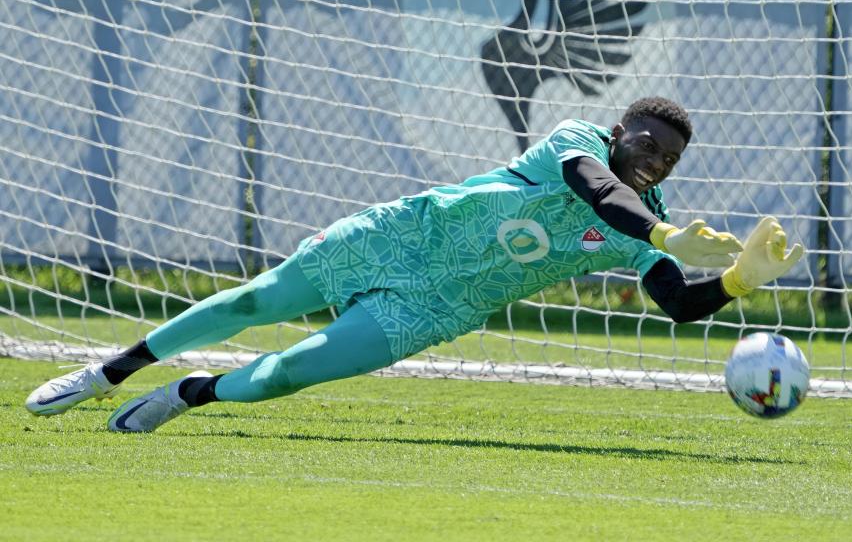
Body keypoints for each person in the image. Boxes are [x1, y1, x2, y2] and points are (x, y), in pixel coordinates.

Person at [25, 97, 803, 433]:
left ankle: (194, 393)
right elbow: (596, 192)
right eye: (645, 143)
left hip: (440, 307)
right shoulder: (578, 144)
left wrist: (735, 282)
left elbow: (675, 303)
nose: (653, 161)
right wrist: (665, 238)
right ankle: (106, 374)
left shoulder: (653, 223)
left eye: (667, 159)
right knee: (255, 300)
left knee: (293, 372)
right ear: (618, 129)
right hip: (400, 237)